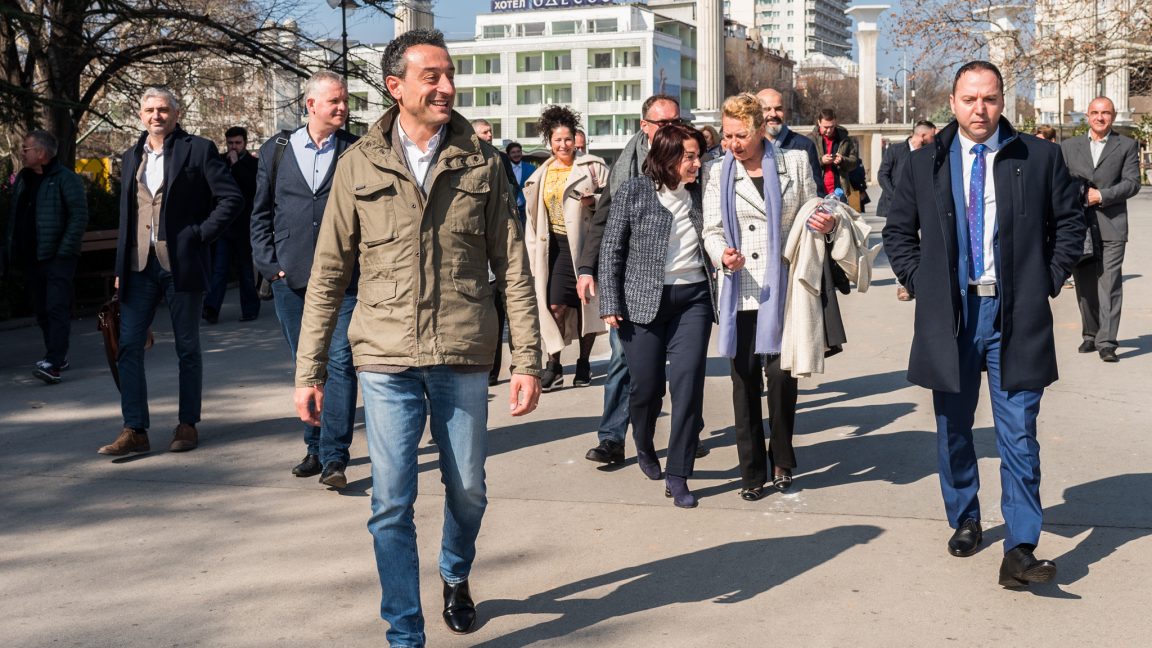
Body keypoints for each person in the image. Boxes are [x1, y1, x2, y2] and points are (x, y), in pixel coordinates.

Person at [292, 29, 542, 646]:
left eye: (449, 74)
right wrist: (309, 371)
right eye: (432, 76)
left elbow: (513, 266)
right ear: (395, 86)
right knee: (390, 504)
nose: (446, 87)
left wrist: (528, 359)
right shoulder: (359, 164)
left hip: (462, 350)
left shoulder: (482, 162)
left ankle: (455, 570)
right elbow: (328, 273)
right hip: (385, 355)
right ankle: (405, 633)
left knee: (469, 492)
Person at [882, 61, 1084, 588]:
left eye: (990, 99)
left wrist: (1048, 279)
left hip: (1016, 315)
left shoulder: (1038, 157)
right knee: (954, 427)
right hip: (952, 316)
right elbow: (898, 232)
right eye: (970, 99)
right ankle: (966, 517)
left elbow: (1069, 223)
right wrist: (922, 282)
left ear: (1002, 102)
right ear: (952, 103)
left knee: (1019, 432)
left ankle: (1020, 547)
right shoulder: (923, 162)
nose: (980, 109)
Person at [98, 87, 242, 456]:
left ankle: (187, 424)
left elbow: (231, 198)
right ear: (140, 115)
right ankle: (135, 429)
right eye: (149, 110)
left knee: (187, 346)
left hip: (181, 263)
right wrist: (120, 268)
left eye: (163, 109)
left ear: (176, 113)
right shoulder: (132, 155)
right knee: (128, 345)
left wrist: (199, 235)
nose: (156, 116)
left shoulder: (198, 149)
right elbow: (127, 216)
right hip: (138, 266)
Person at [702, 93, 821, 501]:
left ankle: (782, 459)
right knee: (744, 382)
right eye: (727, 135)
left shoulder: (795, 163)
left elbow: (810, 214)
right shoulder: (716, 171)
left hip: (783, 286)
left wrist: (823, 222)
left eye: (740, 135)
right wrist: (722, 254)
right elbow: (711, 229)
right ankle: (751, 470)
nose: (732, 143)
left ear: (759, 130)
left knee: (783, 379)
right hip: (739, 287)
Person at [250, 70, 360, 486]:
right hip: (291, 279)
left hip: (344, 279)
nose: (343, 108)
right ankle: (314, 448)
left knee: (341, 362)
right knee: (305, 365)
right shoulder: (276, 150)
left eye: (344, 101)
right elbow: (260, 214)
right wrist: (271, 267)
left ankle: (334, 457)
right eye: (335, 101)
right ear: (311, 105)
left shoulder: (356, 149)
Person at [599, 123, 715, 507]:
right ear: (667, 157)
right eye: (689, 157)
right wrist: (610, 302)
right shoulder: (634, 191)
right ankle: (644, 442)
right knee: (647, 387)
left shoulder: (704, 192)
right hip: (641, 303)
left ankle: (679, 473)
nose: (697, 163)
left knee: (688, 385)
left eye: (698, 156)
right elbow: (612, 248)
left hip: (694, 300)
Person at [576, 93, 682, 466]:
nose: (671, 129)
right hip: (633, 281)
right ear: (645, 126)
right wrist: (587, 269)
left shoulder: (692, 161)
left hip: (680, 281)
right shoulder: (627, 166)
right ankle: (612, 438)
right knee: (623, 358)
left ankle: (687, 432)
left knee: (681, 365)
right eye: (663, 123)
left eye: (676, 122)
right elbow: (603, 219)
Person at [523, 105, 609, 391]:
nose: (563, 145)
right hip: (555, 248)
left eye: (568, 139)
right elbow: (534, 217)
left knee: (586, 306)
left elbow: (613, 201)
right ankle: (554, 364)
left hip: (586, 245)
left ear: (576, 140)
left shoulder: (593, 167)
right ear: (549, 142)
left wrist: (593, 201)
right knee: (555, 307)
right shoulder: (542, 173)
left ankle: (583, 363)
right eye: (557, 140)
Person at [1060, 96, 1142, 363]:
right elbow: (1059, 182)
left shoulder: (1126, 145)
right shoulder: (1068, 147)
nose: (1100, 117)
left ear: (1113, 116)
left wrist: (1102, 195)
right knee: (1084, 285)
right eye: (1095, 112)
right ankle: (1090, 334)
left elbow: (1132, 183)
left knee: (1109, 283)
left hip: (1111, 226)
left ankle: (1107, 342)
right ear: (1087, 116)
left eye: (1105, 113)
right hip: (1079, 227)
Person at [4, 130, 89, 384]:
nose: (22, 153)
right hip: (31, 257)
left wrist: (64, 250)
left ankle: (53, 362)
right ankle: (57, 354)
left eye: (26, 149)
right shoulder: (23, 178)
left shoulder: (66, 179)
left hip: (58, 257)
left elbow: (78, 217)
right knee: (41, 309)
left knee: (56, 307)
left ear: (41, 153)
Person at [203, 126, 260, 324]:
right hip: (224, 227)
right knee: (219, 269)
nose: (233, 147)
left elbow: (251, 188)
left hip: (244, 226)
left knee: (245, 270)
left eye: (237, 143)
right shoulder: (220, 162)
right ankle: (211, 309)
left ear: (245, 143)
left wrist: (236, 165)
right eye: (230, 143)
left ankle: (250, 308)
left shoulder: (253, 164)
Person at [877, 120, 936, 301]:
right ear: (923, 135)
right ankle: (903, 284)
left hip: (922, 205)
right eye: (932, 136)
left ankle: (919, 278)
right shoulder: (895, 150)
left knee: (923, 242)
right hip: (896, 206)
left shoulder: (931, 153)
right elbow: (882, 174)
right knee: (901, 242)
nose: (934, 139)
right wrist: (897, 197)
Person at [756, 88, 822, 194]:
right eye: (766, 109)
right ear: (756, 113)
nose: (773, 114)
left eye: (778, 109)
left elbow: (817, 193)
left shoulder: (805, 146)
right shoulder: (750, 147)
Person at [809, 108, 860, 207]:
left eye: (832, 127)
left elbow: (854, 163)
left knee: (841, 217)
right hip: (817, 192)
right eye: (826, 127)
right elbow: (805, 164)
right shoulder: (810, 139)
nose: (829, 130)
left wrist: (842, 160)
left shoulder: (845, 139)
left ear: (835, 122)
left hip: (840, 192)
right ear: (819, 122)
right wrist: (821, 161)